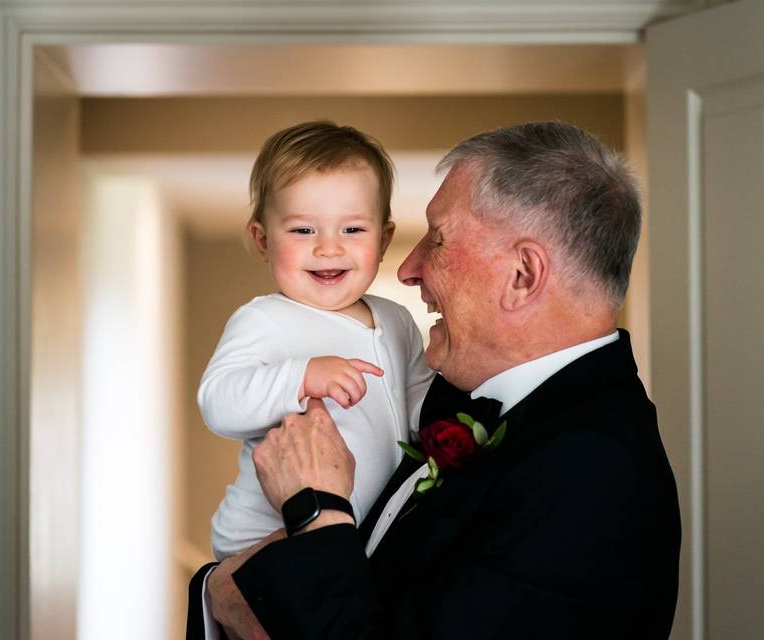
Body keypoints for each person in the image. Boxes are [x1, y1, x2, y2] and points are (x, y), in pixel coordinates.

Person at [188, 121, 682, 639]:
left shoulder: (594, 469)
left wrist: (317, 510)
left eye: (438, 238)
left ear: (523, 275)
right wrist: (216, 591)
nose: (407, 268)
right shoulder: (467, 399)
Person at [198, 121, 434, 561]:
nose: (328, 248)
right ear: (263, 240)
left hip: (361, 534)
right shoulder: (266, 319)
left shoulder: (396, 319)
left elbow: (421, 401)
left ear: (383, 240)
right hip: (267, 534)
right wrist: (301, 377)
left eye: (352, 230)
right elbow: (219, 401)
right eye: (304, 230)